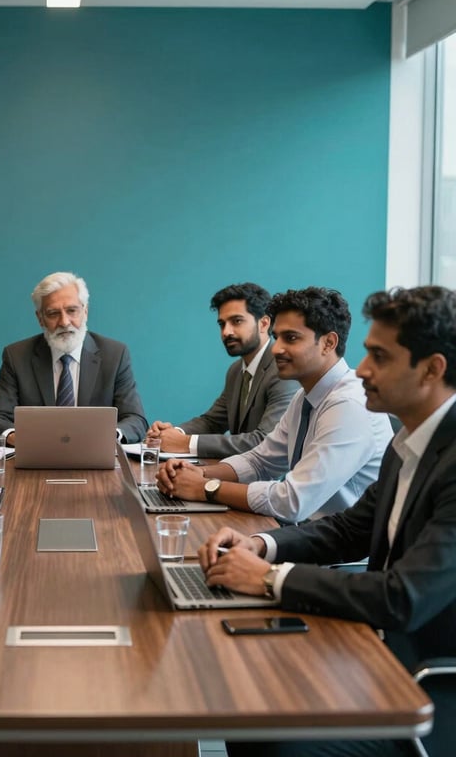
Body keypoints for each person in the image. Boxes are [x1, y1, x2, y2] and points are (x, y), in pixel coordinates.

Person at [198, 286, 456, 757]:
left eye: (379, 356)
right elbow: (347, 530)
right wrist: (262, 546)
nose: (362, 370)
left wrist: (270, 578)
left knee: (264, 729)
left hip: (423, 691)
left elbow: (402, 597)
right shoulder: (412, 441)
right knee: (244, 695)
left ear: (432, 369)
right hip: (377, 651)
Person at [157, 287, 393, 523]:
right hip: (306, 534)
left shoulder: (349, 405)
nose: (276, 348)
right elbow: (259, 461)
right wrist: (196, 473)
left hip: (337, 553)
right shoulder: (305, 397)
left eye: (290, 338)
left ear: (328, 343)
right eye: (276, 336)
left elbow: (292, 501)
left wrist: (206, 487)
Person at [0, 271, 148, 445]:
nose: (64, 322)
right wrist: (18, 438)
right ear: (40, 319)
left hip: (96, 460)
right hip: (37, 459)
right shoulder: (17, 356)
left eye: (72, 310)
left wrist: (108, 436)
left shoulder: (114, 354)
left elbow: (135, 420)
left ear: (85, 311)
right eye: (53, 313)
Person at [147, 282, 298, 458]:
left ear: (264, 324)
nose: (226, 332)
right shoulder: (236, 371)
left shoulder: (282, 370)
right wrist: (173, 433)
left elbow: (265, 441)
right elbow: (212, 422)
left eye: (237, 321)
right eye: (222, 324)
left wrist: (185, 443)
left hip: (273, 482)